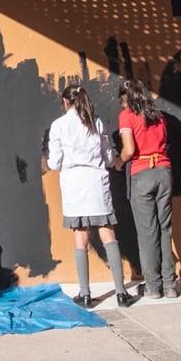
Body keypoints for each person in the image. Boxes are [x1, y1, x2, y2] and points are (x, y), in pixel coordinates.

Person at [47, 84, 133, 308]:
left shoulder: (59, 125)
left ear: (65, 102)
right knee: (108, 235)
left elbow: (54, 162)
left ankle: (85, 294)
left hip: (75, 185)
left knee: (81, 237)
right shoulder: (97, 122)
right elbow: (107, 157)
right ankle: (121, 292)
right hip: (97, 183)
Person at [117, 79, 176, 299]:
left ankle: (153, 287)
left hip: (142, 172)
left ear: (125, 97)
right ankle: (170, 286)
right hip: (163, 170)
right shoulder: (159, 115)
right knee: (165, 229)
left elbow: (129, 149)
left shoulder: (127, 116)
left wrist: (119, 162)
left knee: (147, 232)